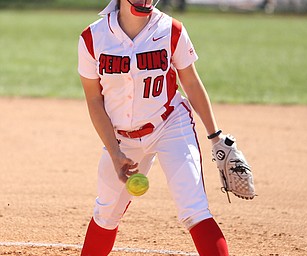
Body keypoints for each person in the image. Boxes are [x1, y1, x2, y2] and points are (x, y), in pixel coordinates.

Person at [78, 0, 229, 255]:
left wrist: (215, 136)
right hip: (121, 137)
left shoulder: (172, 30)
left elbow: (190, 82)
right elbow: (94, 99)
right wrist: (115, 153)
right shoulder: (93, 38)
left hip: (169, 125)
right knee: (105, 213)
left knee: (194, 208)